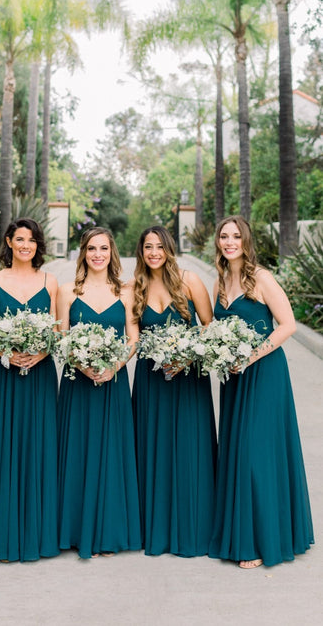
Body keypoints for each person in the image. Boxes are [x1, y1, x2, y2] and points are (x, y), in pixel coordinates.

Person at [209, 215, 314, 568]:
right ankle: (243, 534)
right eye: (224, 236)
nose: (229, 242)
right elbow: (215, 329)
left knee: (258, 452)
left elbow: (288, 325)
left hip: (265, 373)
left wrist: (251, 356)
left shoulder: (262, 278)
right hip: (234, 378)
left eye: (236, 236)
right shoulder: (220, 282)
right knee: (238, 450)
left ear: (246, 240)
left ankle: (261, 539)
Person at [131, 226, 217, 556]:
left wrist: (187, 354)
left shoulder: (189, 280)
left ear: (170, 248)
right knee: (154, 448)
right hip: (152, 381)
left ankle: (194, 528)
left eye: (160, 246)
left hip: (188, 379)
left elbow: (209, 327)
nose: (154, 252)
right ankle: (154, 529)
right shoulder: (135, 286)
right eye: (148, 246)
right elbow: (132, 336)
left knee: (189, 449)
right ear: (141, 251)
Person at [0, 218, 59, 562]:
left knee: (39, 446)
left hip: (40, 375)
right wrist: (7, 353)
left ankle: (38, 534)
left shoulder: (50, 281)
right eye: (19, 239)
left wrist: (39, 353)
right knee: (1, 446)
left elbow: (56, 329)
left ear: (38, 245)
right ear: (9, 242)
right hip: (4, 375)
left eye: (31, 240)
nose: (25, 245)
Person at [57, 227, 141, 558]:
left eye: (103, 248)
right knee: (78, 451)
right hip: (77, 383)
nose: (97, 254)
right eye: (91, 248)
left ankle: (108, 532)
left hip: (113, 384)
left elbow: (133, 336)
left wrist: (115, 366)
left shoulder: (125, 291)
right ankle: (75, 530)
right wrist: (81, 363)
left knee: (111, 453)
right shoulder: (67, 291)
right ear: (83, 253)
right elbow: (61, 337)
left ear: (112, 253)